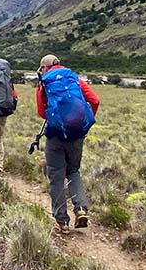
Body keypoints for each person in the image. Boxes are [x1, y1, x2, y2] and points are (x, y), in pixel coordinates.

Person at [36, 54, 100, 234]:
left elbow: (42, 113)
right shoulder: (74, 79)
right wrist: (85, 122)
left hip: (55, 136)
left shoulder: (44, 84)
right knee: (73, 171)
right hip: (77, 134)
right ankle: (80, 209)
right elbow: (95, 100)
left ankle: (62, 222)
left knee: (56, 176)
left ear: (44, 68)